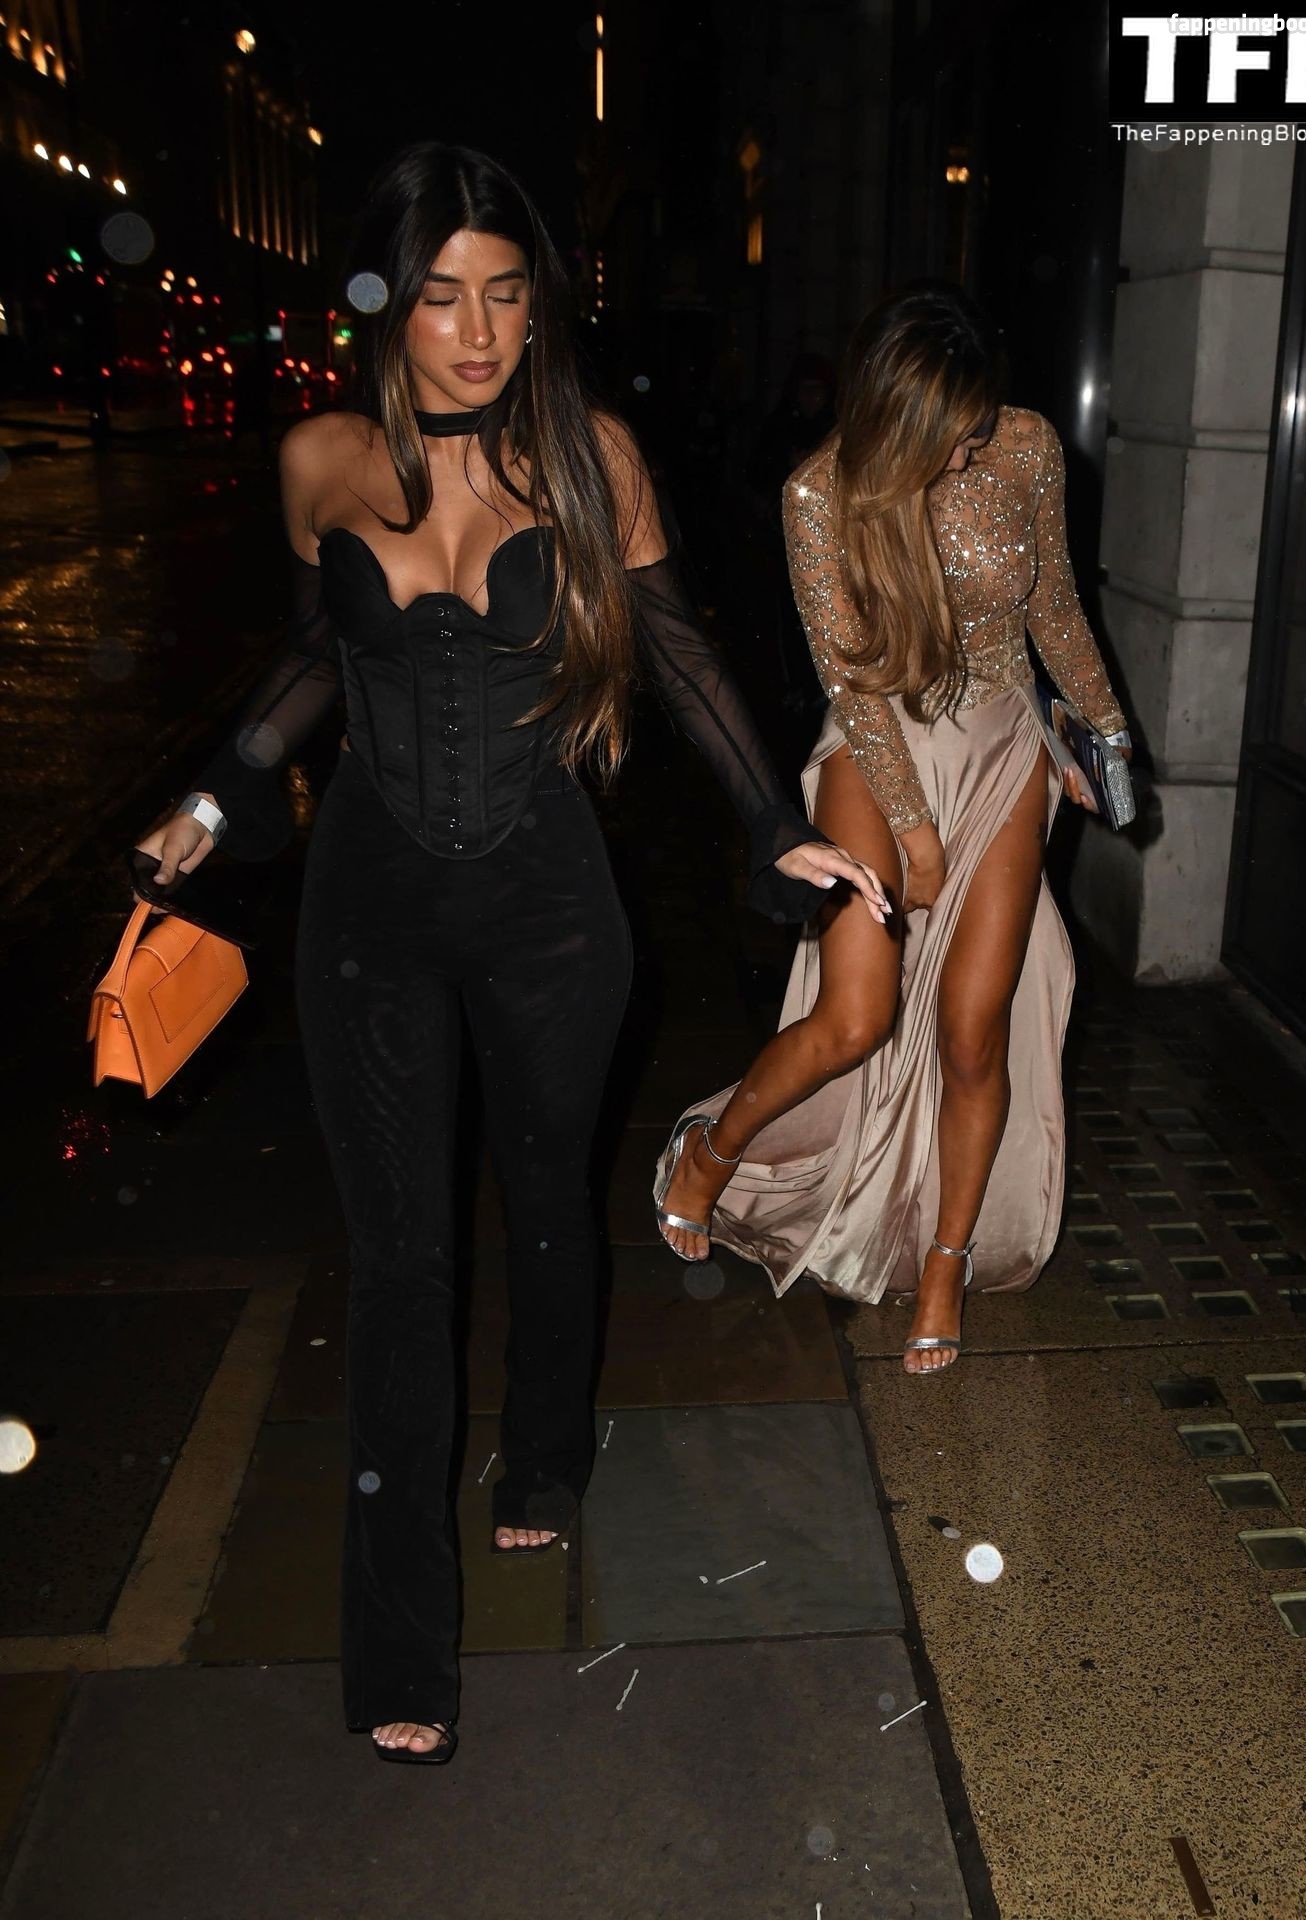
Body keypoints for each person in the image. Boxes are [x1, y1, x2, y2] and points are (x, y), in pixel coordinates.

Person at [134, 143, 888, 1765]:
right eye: (438, 297)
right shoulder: (320, 457)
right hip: (370, 904)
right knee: (399, 1261)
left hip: (551, 900)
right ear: (386, 307)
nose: (476, 333)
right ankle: (401, 1644)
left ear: (537, 303)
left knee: (547, 1206)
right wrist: (216, 794)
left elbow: (674, 648)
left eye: (503, 293)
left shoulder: (590, 454)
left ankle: (545, 1446)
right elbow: (317, 656)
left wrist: (772, 822)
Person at [653, 281, 1132, 1376]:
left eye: (980, 425)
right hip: (878, 747)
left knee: (974, 1031)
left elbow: (1054, 604)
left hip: (1002, 745)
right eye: (952, 435)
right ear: (895, 420)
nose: (971, 450)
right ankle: (714, 1150)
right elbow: (852, 685)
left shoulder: (1026, 446)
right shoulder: (816, 493)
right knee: (856, 1015)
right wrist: (915, 833)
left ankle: (944, 1260)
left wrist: (1103, 735)